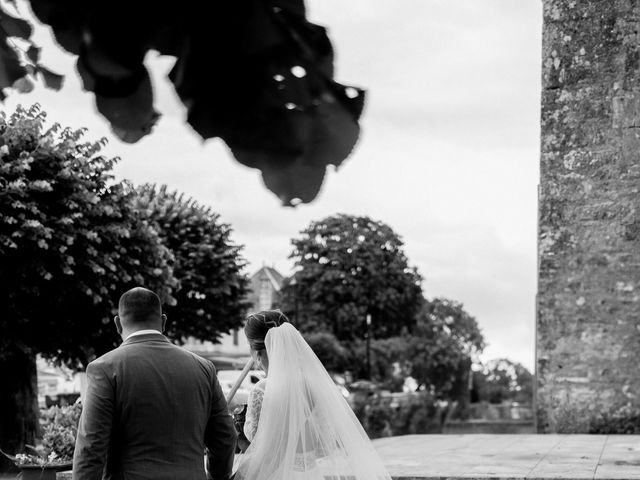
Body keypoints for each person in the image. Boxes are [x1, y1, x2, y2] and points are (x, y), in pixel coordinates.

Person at [72, 287, 236, 480]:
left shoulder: (105, 368)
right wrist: (217, 476)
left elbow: (91, 447)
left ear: (117, 324)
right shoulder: (203, 367)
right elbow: (225, 437)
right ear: (163, 321)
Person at [234, 310, 391, 480]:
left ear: (256, 352)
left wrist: (239, 433)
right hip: (310, 474)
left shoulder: (262, 390)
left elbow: (264, 452)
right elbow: (323, 447)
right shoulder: (313, 387)